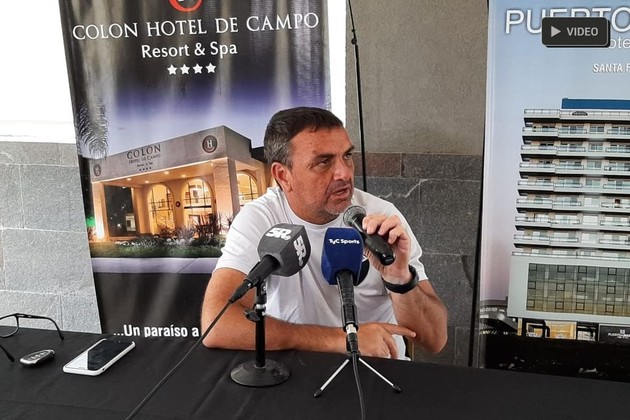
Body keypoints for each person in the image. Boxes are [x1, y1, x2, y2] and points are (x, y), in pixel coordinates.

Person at [201, 107, 447, 359]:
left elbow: (434, 339)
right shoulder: (261, 218)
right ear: (283, 176)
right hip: (298, 368)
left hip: (378, 369)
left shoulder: (382, 219)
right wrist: (341, 340)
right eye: (323, 162)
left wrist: (399, 278)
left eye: (347, 156)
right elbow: (217, 324)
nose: (344, 173)